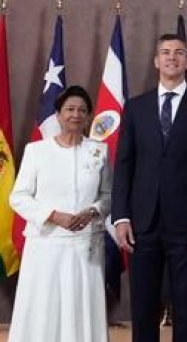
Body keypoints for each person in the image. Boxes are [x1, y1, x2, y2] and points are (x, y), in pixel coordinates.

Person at [112, 34, 187, 342]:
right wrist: (120, 216)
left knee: (186, 302)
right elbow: (124, 164)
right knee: (143, 303)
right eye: (165, 52)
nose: (171, 57)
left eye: (178, 52)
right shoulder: (136, 107)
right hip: (141, 221)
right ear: (156, 61)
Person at [9, 85, 111, 342]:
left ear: (88, 116)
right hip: (46, 245)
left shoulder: (99, 151)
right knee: (45, 309)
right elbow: (18, 197)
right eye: (70, 109)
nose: (76, 115)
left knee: (82, 308)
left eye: (82, 110)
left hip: (86, 246)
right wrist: (54, 215)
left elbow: (108, 195)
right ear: (58, 115)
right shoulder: (37, 151)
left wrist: (92, 211)